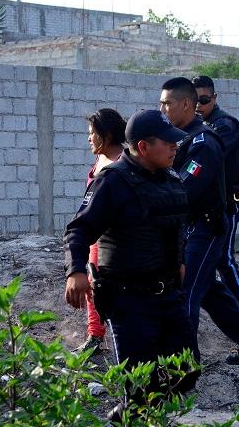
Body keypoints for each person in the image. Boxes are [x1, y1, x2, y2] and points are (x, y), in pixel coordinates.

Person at [63, 109, 198, 415]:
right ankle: (132, 413)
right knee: (140, 386)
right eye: (169, 143)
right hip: (129, 300)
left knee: (188, 372)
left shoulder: (171, 179)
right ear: (143, 147)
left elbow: (175, 227)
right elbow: (79, 230)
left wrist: (179, 260)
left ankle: (130, 413)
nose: (176, 147)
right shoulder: (112, 182)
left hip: (169, 296)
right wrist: (75, 271)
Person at [159, 77, 239, 365]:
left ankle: (184, 366)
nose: (163, 109)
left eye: (167, 103)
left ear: (186, 105)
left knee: (187, 290)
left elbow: (186, 189)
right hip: (190, 228)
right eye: (161, 103)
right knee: (210, 290)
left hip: (207, 226)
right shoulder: (181, 137)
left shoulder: (207, 139)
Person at [192, 75, 239, 330]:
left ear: (214, 98)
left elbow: (210, 156)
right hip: (208, 208)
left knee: (225, 261)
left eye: (204, 100)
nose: (199, 106)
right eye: (194, 101)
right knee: (213, 266)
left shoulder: (224, 126)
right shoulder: (197, 128)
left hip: (227, 205)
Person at [73, 108, 125, 354]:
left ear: (105, 135)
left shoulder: (123, 163)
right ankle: (95, 336)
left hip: (115, 241)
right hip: (96, 236)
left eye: (92, 133)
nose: (89, 138)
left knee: (109, 290)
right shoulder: (102, 159)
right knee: (93, 286)